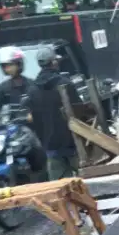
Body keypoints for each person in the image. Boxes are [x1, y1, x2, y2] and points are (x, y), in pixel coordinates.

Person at [28, 46, 81, 180]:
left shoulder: (32, 90)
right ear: (53, 62)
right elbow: (80, 110)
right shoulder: (66, 83)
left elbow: (35, 120)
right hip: (73, 142)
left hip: (50, 146)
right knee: (84, 181)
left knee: (60, 185)